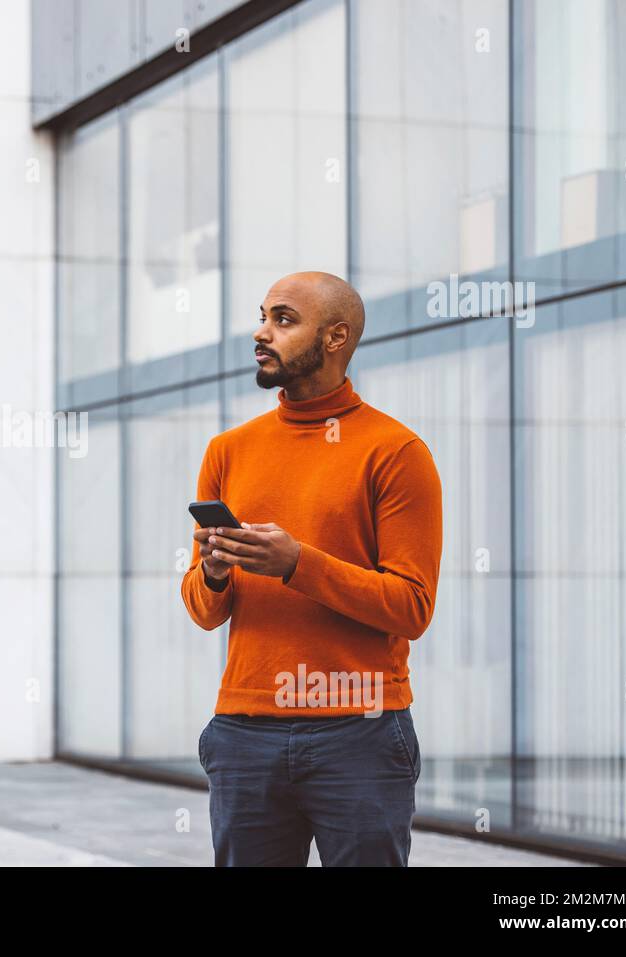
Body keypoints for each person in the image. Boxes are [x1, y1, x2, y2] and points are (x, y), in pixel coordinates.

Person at [181, 271, 442, 866]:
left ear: (335, 337)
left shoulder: (395, 451)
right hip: (244, 729)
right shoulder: (229, 450)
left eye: (283, 319)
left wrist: (298, 564)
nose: (261, 332)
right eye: (263, 316)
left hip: (360, 732)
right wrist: (216, 573)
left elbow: (411, 606)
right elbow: (202, 610)